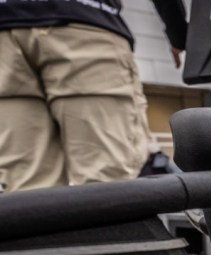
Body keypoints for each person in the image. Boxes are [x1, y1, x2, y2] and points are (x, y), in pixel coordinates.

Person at [0, 0, 187, 192]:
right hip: (81, 19)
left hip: (4, 32)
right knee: (105, 179)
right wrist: (179, 34)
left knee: (28, 186)